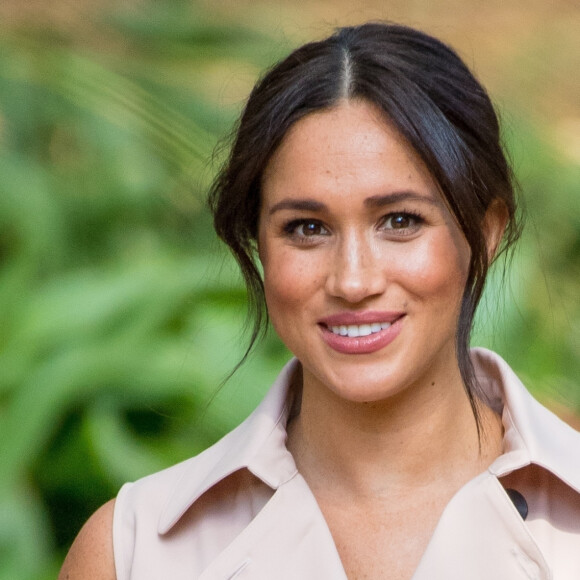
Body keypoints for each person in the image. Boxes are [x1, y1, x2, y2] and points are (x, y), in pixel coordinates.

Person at [59, 22, 580, 580]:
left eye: (400, 222)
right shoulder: (134, 553)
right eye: (307, 228)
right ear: (257, 245)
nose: (353, 282)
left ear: (486, 233)